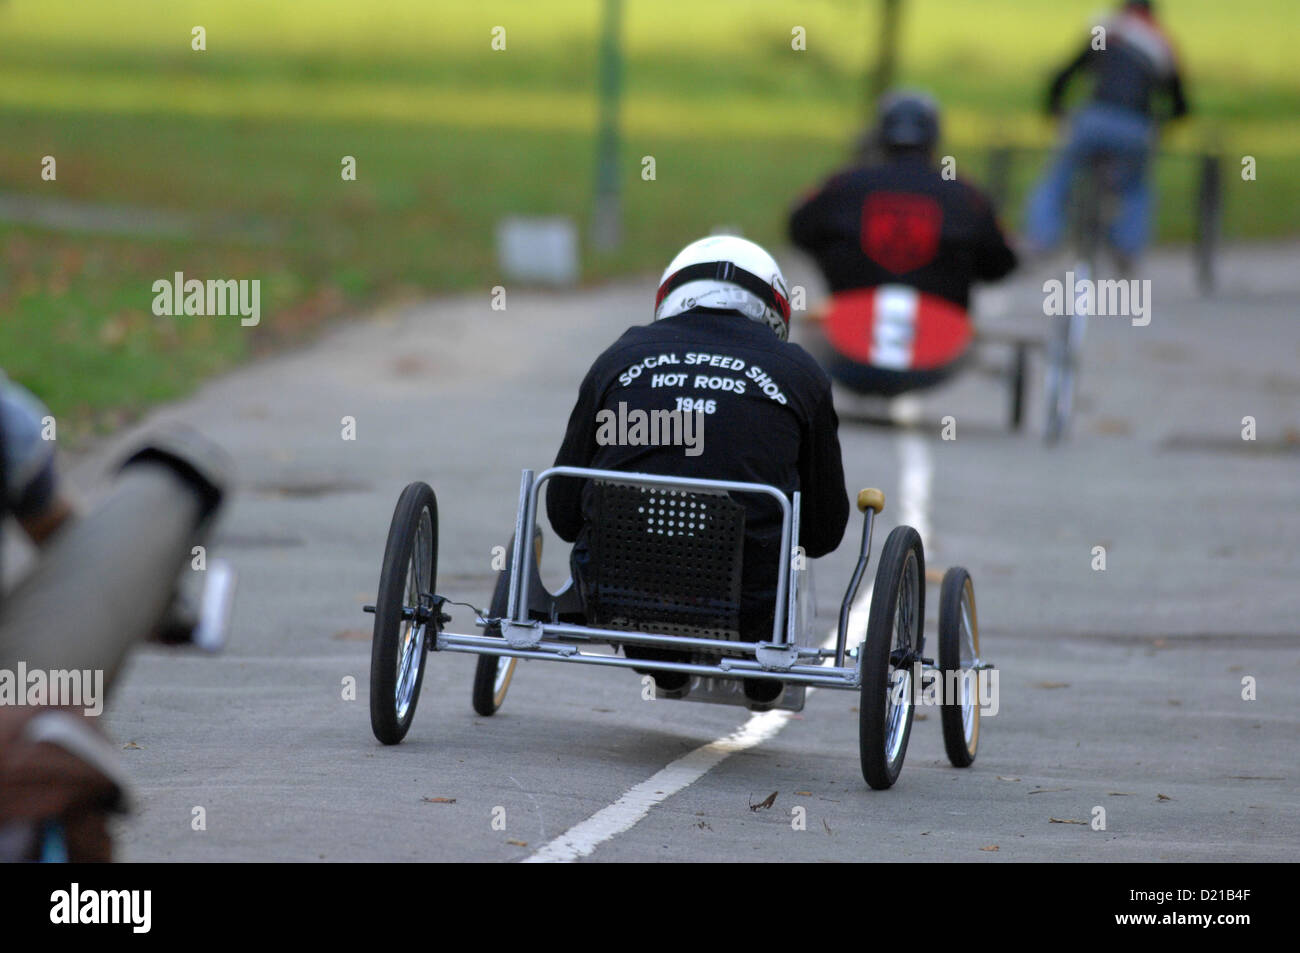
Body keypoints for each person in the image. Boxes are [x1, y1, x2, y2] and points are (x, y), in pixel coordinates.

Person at [546, 236, 849, 703]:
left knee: (638, 542)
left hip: (611, 585)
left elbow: (563, 512)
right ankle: (755, 660)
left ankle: (657, 655)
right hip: (749, 602)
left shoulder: (621, 355)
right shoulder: (799, 371)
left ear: (671, 293)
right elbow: (825, 531)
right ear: (775, 307)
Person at [789, 90, 1017, 396]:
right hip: (939, 338)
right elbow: (1001, 263)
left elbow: (799, 230)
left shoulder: (844, 184)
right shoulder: (965, 194)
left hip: (847, 331)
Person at [1023, 0, 1189, 267]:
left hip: (1093, 119)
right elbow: (1181, 106)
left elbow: (1065, 75)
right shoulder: (1161, 42)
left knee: (1058, 178)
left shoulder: (1108, 29)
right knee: (1135, 187)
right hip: (1137, 126)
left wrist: (1054, 109)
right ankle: (1127, 248)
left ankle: (1043, 237)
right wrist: (1159, 125)